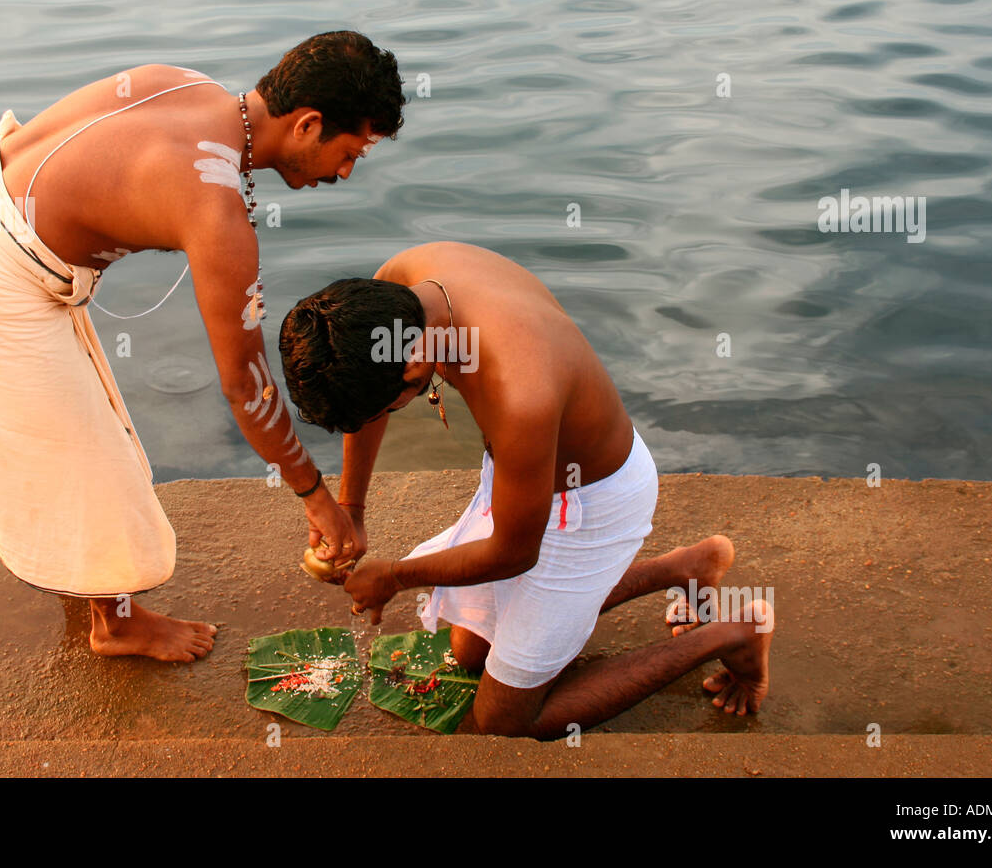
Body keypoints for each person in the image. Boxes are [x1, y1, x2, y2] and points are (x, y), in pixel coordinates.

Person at [0, 31, 404, 661]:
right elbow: (244, 385)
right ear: (308, 124)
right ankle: (115, 626)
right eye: (351, 152)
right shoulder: (215, 206)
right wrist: (318, 498)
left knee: (87, 431)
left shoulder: (188, 85)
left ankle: (84, 582)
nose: (345, 171)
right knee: (91, 460)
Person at [278, 242, 774, 738]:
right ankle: (683, 567)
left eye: (387, 409)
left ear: (412, 367)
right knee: (468, 653)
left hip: (589, 506)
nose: (381, 419)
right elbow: (364, 409)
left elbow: (514, 553)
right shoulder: (400, 287)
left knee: (499, 724)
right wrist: (351, 507)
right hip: (524, 473)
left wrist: (395, 576)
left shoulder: (519, 391)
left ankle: (736, 633)